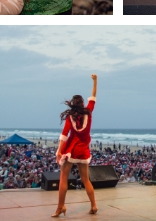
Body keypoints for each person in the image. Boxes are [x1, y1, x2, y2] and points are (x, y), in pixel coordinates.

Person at [52, 74, 98, 217]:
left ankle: (60, 207)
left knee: (63, 179)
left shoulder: (70, 117)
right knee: (85, 180)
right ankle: (94, 205)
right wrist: (95, 80)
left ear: (73, 103)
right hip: (83, 150)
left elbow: (64, 135)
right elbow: (94, 95)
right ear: (83, 103)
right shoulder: (89, 112)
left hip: (71, 150)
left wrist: (59, 151)